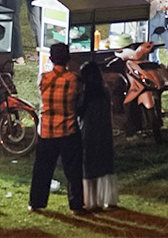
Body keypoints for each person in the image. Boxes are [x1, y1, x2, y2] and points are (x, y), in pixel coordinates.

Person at [29, 42, 85, 214]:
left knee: (42, 170)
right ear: (68, 59)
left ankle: (36, 203)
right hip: (68, 130)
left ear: (51, 59)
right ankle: (76, 205)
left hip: (47, 131)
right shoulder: (73, 79)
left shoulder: (43, 78)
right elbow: (79, 101)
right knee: (73, 171)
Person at [77, 60, 118, 211]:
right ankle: (109, 199)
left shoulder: (86, 94)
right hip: (105, 132)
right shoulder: (104, 92)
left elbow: (79, 112)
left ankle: (91, 201)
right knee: (105, 165)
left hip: (89, 132)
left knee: (89, 166)